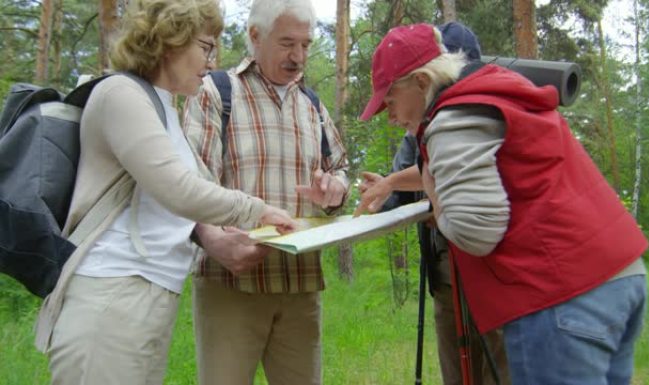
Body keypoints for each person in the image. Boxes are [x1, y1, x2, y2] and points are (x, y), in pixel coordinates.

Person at [357, 22, 647, 385]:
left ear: (420, 82)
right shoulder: (491, 93)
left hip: (558, 296)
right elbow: (464, 167)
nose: (391, 114)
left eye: (390, 99)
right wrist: (406, 184)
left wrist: (437, 205)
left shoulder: (452, 119)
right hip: (619, 274)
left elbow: (475, 231)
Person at [34, 1, 296, 384]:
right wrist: (258, 210)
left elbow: (186, 197)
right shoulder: (121, 94)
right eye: (206, 47)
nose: (211, 62)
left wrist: (221, 235)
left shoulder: (165, 108)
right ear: (171, 41)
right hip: (112, 297)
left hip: (148, 299)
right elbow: (179, 190)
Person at [182, 0, 350, 384]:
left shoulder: (311, 105)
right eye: (287, 43)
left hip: (300, 285)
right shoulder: (215, 93)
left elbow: (339, 171)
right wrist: (211, 240)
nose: (299, 56)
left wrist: (335, 190)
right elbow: (188, 183)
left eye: (306, 45)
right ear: (255, 37)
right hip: (231, 285)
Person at [361, 132, 510, 385]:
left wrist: (436, 203)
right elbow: (396, 200)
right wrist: (381, 192)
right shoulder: (412, 138)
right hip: (444, 278)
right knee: (456, 373)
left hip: (492, 274)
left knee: (500, 369)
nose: (394, 118)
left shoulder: (465, 116)